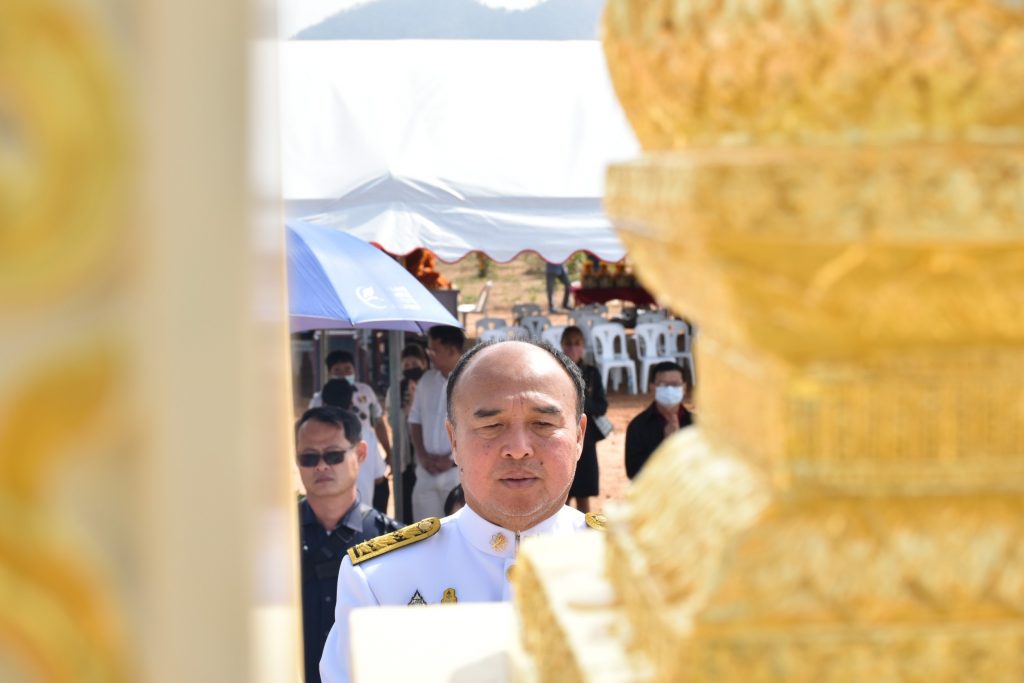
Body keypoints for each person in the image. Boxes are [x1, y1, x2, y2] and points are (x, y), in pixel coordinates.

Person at [319, 340, 607, 683]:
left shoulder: (649, 569)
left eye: (543, 424)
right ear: (453, 440)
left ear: (579, 436)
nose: (518, 449)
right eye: (491, 425)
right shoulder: (380, 581)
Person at [295, 407, 401, 683]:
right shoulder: (276, 539)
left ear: (361, 454)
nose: (321, 466)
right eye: (309, 458)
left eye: (333, 455)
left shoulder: (391, 541)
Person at [311, 350, 392, 512]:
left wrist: (388, 450)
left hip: (365, 454)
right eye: (337, 371)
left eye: (348, 370)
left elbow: (378, 421)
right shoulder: (319, 399)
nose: (343, 374)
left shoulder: (365, 392)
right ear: (329, 373)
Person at [408, 325, 465, 520]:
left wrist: (450, 459)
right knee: (422, 537)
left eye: (434, 350)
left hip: (458, 473)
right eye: (428, 349)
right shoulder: (426, 380)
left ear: (452, 351)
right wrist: (422, 456)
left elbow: (476, 428)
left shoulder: (470, 382)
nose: (429, 354)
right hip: (426, 471)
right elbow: (415, 421)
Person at [560, 325, 608, 513]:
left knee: (584, 494)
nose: (572, 348)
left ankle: (584, 536)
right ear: (562, 345)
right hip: (561, 437)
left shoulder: (592, 373)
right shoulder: (555, 372)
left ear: (583, 347)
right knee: (561, 494)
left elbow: (602, 405)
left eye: (577, 344)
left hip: (585, 440)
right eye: (568, 343)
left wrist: (581, 402)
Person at [319, 379, 384, 508]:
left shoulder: (315, 438)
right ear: (351, 404)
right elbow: (379, 478)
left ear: (322, 404)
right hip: (362, 513)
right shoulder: (366, 434)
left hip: (328, 514)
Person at [624, 361, 694, 479]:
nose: (669, 389)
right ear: (653, 388)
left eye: (675, 384)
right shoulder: (638, 426)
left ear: (684, 388)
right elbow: (634, 473)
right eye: (663, 385)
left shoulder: (698, 425)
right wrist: (665, 446)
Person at [385, 343, 431, 523]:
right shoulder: (395, 390)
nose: (411, 369)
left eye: (415, 364)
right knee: (405, 500)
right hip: (405, 454)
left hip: (426, 453)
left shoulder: (430, 385)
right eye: (407, 366)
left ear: (424, 364)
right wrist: (409, 405)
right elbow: (392, 420)